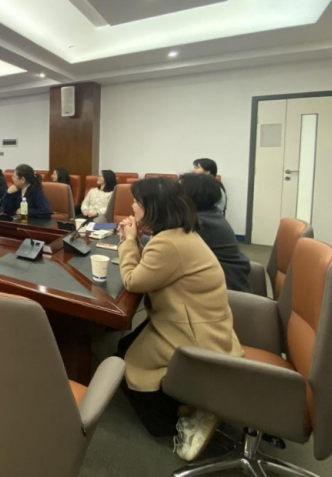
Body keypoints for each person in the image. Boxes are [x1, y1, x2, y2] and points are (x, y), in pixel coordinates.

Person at [116, 177, 242, 461]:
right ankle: (189, 402)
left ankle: (188, 414)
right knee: (124, 346)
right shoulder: (178, 234)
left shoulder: (168, 244)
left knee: (127, 363)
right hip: (200, 323)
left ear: (153, 207)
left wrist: (129, 241)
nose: (132, 206)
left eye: (137, 201)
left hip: (193, 334)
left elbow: (133, 280)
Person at [179, 173, 251, 292]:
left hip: (225, 291)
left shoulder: (200, 223)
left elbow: (165, 245)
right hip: (227, 283)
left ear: (189, 196)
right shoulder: (212, 214)